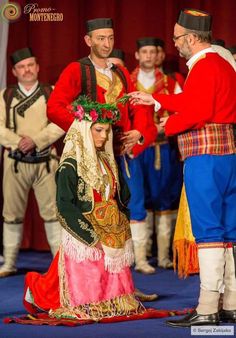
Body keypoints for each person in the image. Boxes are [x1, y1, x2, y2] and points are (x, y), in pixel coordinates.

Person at [130, 8, 236, 327]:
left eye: (177, 39)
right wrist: (158, 100)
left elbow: (197, 111)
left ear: (191, 38)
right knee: (229, 230)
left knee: (208, 231)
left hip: (205, 156)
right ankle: (230, 302)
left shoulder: (203, 67)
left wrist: (167, 126)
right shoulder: (223, 64)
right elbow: (198, 100)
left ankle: (206, 306)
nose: (176, 45)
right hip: (228, 154)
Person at [47, 18, 158, 301]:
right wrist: (86, 129)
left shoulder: (120, 72)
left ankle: (122, 286)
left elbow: (138, 108)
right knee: (88, 215)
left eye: (110, 37)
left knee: (117, 217)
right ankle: (87, 286)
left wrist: (140, 134)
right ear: (88, 40)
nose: (106, 43)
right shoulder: (77, 70)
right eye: (100, 38)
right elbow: (54, 107)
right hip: (87, 157)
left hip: (115, 157)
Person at [23, 102, 146, 321]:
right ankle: (37, 290)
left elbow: (121, 195)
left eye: (107, 131)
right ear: (83, 130)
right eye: (98, 130)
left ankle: (113, 297)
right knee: (86, 301)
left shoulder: (107, 161)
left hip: (111, 235)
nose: (104, 136)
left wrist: (120, 222)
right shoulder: (70, 165)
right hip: (85, 234)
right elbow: (65, 207)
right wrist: (91, 236)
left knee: (120, 303)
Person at [0, 47, 64, 278]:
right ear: (15, 71)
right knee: (11, 212)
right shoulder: (5, 96)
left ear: (37, 67)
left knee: (53, 213)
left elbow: (61, 122)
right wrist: (19, 142)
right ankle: (9, 263)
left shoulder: (52, 93)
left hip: (47, 161)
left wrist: (36, 140)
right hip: (14, 162)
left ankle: (59, 261)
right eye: (21, 67)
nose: (26, 70)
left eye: (30, 65)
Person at [129, 37, 182, 271]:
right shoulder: (127, 82)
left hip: (161, 148)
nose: (149, 56)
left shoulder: (170, 83)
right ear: (137, 55)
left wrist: (165, 126)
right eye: (144, 52)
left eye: (153, 52)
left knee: (163, 198)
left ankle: (163, 256)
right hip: (136, 149)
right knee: (138, 199)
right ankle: (142, 256)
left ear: (157, 54)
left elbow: (183, 108)